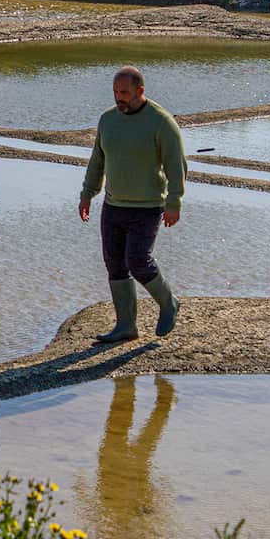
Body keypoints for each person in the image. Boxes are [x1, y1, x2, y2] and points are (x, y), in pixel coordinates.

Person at [78, 65, 186, 342]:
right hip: (113, 206)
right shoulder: (107, 120)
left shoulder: (161, 122)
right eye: (115, 92)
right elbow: (97, 161)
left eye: (124, 92)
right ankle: (126, 326)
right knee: (115, 264)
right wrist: (87, 193)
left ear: (140, 91)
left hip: (148, 207)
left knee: (138, 260)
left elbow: (176, 166)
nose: (118, 98)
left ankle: (168, 303)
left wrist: (174, 202)